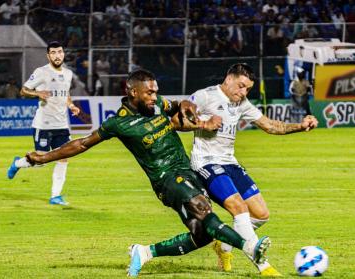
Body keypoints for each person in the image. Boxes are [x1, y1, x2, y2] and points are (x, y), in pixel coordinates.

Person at [19, 69, 271, 277]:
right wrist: (45, 156)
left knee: (202, 234)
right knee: (204, 212)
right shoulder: (118, 123)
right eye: (149, 92)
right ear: (133, 92)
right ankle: (252, 250)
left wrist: (190, 112)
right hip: (166, 180)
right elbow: (81, 143)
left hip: (187, 171)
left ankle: (145, 252)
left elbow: (179, 105)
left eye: (156, 90)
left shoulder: (158, 105)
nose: (155, 95)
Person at [187, 63, 318, 276]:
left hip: (230, 162)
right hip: (206, 162)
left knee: (261, 214)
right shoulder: (205, 96)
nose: (243, 92)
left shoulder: (242, 103)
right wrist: (203, 124)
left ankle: (224, 244)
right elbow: (178, 120)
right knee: (239, 208)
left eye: (247, 89)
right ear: (229, 79)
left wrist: (300, 127)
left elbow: (269, 126)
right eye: (240, 86)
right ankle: (262, 265)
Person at [6, 41, 80, 206]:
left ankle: (55, 196)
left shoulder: (68, 74)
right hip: (43, 124)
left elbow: (65, 93)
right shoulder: (41, 72)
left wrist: (71, 105)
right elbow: (23, 90)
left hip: (61, 124)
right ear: (48, 56)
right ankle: (18, 163)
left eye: (59, 52)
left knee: (63, 158)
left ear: (63, 54)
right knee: (40, 160)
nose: (57, 55)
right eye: (53, 52)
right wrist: (37, 92)